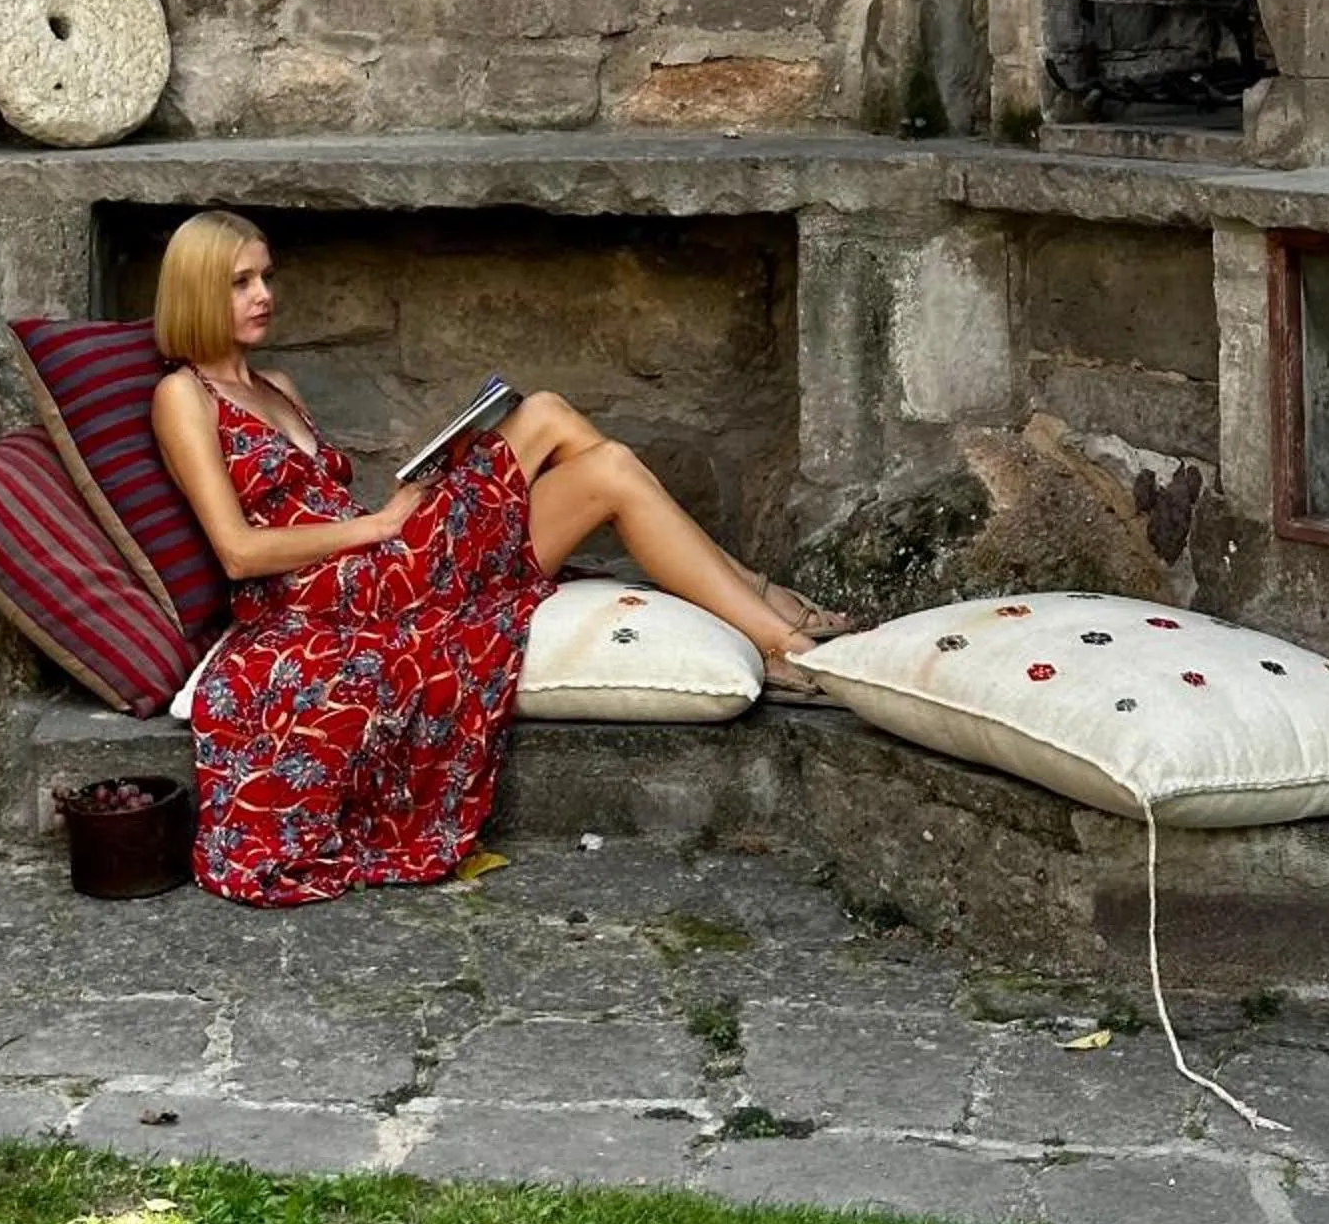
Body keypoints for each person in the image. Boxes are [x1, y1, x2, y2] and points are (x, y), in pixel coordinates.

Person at [149, 207, 850, 908]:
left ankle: (763, 612)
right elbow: (238, 552)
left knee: (589, 450)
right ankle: (782, 636)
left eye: (266, 277)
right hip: (337, 593)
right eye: (240, 282)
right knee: (568, 436)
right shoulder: (183, 396)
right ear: (197, 291)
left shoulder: (276, 385)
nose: (264, 295)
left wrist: (408, 499)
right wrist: (381, 525)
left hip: (383, 560)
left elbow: (324, 504)